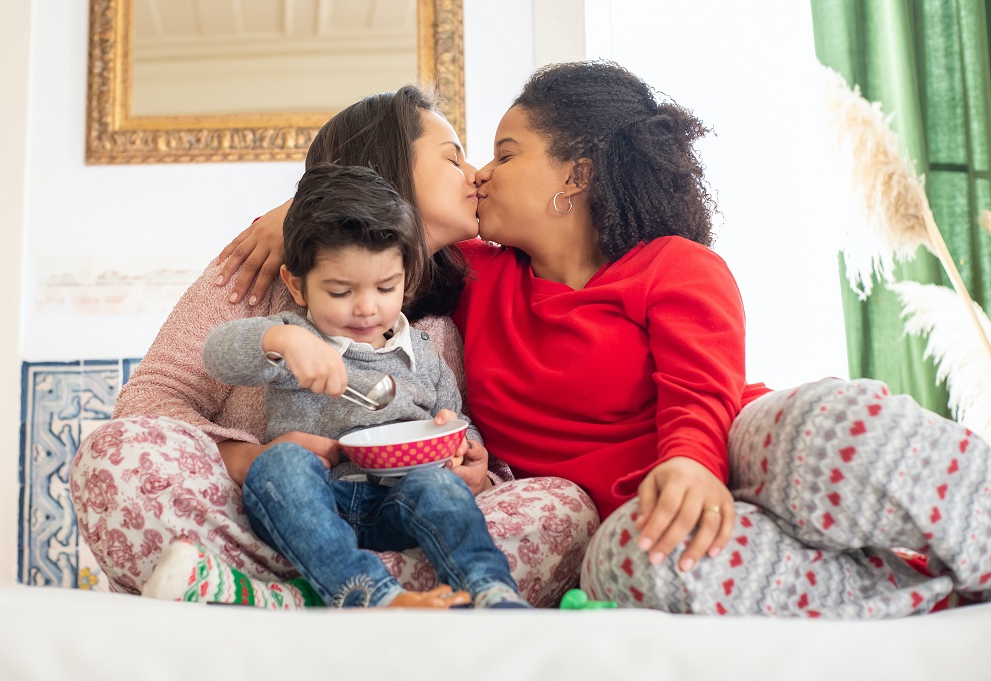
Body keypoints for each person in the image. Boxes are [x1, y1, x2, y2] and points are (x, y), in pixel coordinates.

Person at [218, 61, 991, 618]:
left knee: (825, 422)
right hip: (633, 512)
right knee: (632, 564)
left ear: (574, 177)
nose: (481, 172)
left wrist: (691, 461)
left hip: (724, 441)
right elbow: (377, 220)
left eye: (506, 151)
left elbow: (703, 392)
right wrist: (293, 212)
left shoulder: (675, 268)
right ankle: (920, 591)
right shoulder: (480, 277)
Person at [70, 86, 598, 609]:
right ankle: (357, 589)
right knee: (113, 456)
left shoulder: (454, 305)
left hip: (399, 514)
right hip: (269, 514)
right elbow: (150, 401)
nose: (476, 172)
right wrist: (249, 458)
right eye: (453, 158)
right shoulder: (260, 268)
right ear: (391, 170)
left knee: (563, 509)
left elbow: (455, 426)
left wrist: (475, 468)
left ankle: (290, 594)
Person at [190, 162, 527, 609]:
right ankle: (367, 592)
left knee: (440, 488)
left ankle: (490, 590)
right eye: (340, 292)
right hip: (313, 501)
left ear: (405, 278)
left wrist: (465, 447)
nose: (367, 309)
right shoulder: (297, 341)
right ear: (297, 284)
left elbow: (457, 419)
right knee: (280, 466)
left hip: (398, 501)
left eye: (385, 287)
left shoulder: (424, 353)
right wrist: (281, 339)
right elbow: (218, 354)